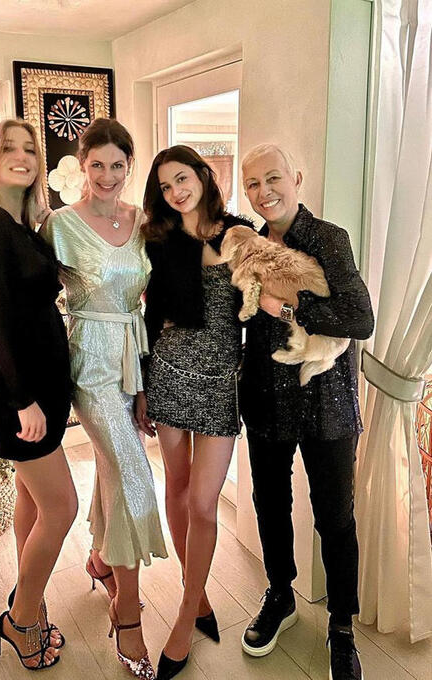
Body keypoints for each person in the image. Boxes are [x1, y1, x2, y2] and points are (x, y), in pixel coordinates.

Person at [239, 143, 374, 680]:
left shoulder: (328, 239)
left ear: (296, 178)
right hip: (265, 398)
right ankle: (280, 594)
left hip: (326, 399)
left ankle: (341, 626)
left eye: (273, 178)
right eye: (253, 183)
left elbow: (359, 318)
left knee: (335, 517)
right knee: (269, 504)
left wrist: (289, 302)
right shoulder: (249, 246)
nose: (264, 191)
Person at [42, 118, 166, 680]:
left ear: (129, 166)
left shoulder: (143, 221)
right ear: (82, 165)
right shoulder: (60, 224)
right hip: (89, 359)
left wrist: (147, 378)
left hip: (132, 354)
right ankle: (128, 612)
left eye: (118, 165)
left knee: (113, 467)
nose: (108, 176)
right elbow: (31, 296)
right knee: (134, 472)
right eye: (98, 165)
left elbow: (156, 294)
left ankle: (100, 558)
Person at [0, 119, 78, 671]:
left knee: (32, 502)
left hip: (44, 388)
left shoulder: (20, 224)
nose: (22, 156)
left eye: (30, 149)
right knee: (63, 507)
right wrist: (21, 400)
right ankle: (21, 619)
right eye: (9, 147)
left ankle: (29, 596)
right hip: (23, 396)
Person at [139, 145, 254, 680]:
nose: (176, 192)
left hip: (220, 385)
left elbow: (264, 298)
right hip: (168, 374)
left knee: (205, 504)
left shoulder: (239, 233)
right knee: (179, 486)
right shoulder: (159, 240)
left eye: (181, 179)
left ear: (204, 176)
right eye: (165, 187)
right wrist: (142, 384)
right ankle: (198, 593)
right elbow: (148, 315)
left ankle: (185, 615)